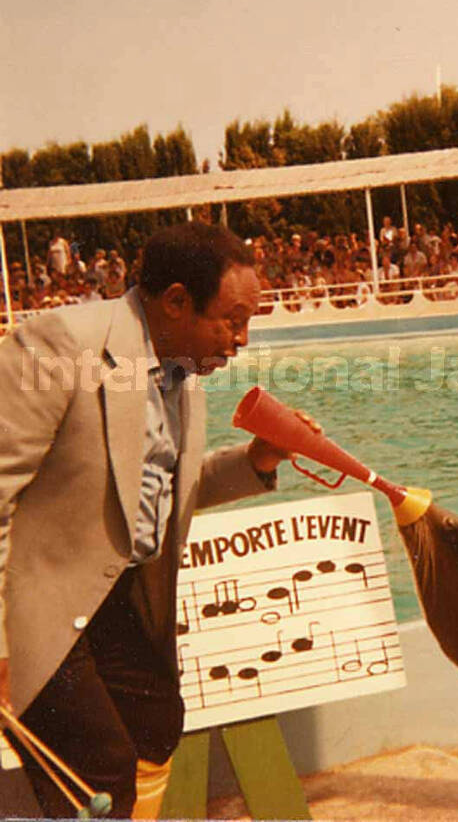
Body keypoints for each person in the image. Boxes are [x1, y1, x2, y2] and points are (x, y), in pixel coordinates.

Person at [0, 222, 316, 819]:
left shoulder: (182, 372)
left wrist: (256, 462)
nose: (243, 339)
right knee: (97, 768)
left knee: (157, 726)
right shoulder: (63, 344)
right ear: (175, 301)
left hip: (118, 599)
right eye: (232, 319)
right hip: (35, 606)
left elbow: (159, 489)